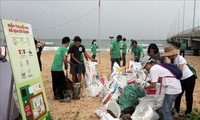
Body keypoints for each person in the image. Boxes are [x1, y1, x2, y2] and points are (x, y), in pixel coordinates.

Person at [141, 56, 182, 120]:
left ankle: (172, 117)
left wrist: (144, 87)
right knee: (166, 108)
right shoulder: (158, 66)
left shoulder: (153, 69)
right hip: (174, 87)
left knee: (165, 110)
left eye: (145, 67)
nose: (146, 69)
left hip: (172, 89)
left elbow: (153, 85)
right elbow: (163, 78)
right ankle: (174, 115)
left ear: (148, 64)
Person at [161, 45, 196, 115]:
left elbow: (179, 71)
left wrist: (169, 65)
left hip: (189, 78)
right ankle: (176, 110)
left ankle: (188, 112)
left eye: (169, 55)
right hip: (181, 79)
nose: (168, 57)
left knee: (188, 95)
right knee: (178, 95)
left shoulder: (180, 58)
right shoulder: (172, 61)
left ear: (173, 54)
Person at [51, 37, 70, 102]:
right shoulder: (65, 49)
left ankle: (55, 96)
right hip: (58, 69)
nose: (68, 44)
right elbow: (64, 59)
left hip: (53, 68)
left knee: (55, 82)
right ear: (67, 42)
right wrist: (67, 64)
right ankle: (62, 97)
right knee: (61, 82)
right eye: (68, 43)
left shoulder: (59, 48)